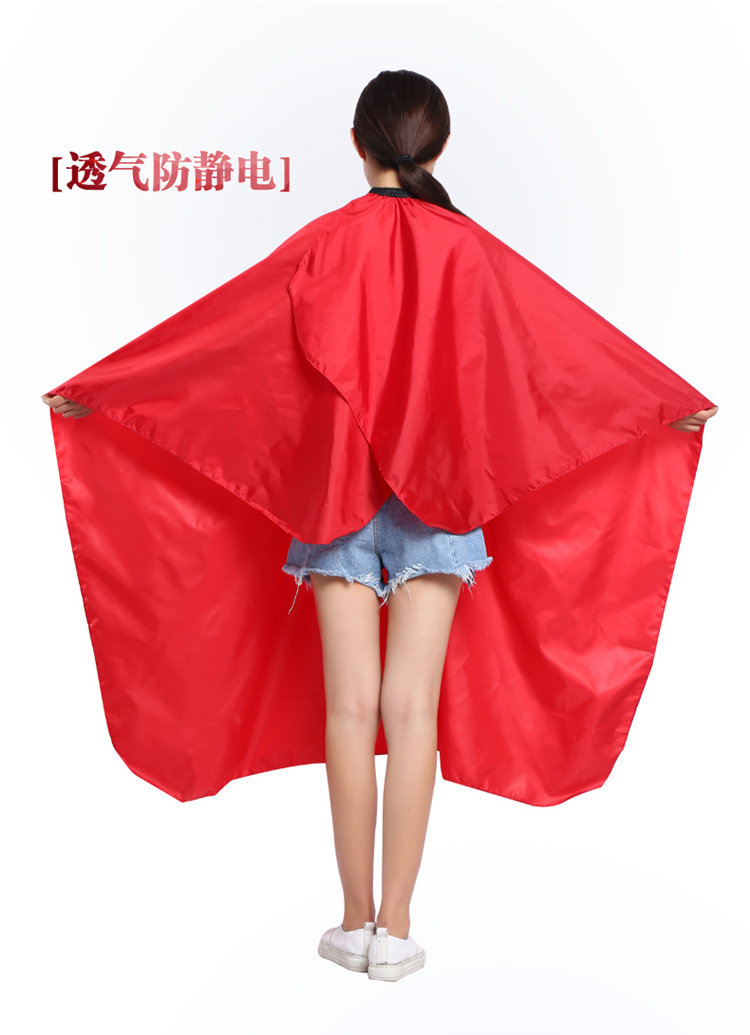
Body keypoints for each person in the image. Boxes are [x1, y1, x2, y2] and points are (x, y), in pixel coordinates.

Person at [41, 70, 718, 983]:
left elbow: (222, 338)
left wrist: (109, 391)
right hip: (439, 501)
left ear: (357, 145)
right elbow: (562, 349)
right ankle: (397, 929)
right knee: (412, 711)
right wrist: (661, 402)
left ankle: (352, 916)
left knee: (350, 711)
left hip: (336, 500)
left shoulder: (326, 242)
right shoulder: (471, 252)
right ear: (439, 147)